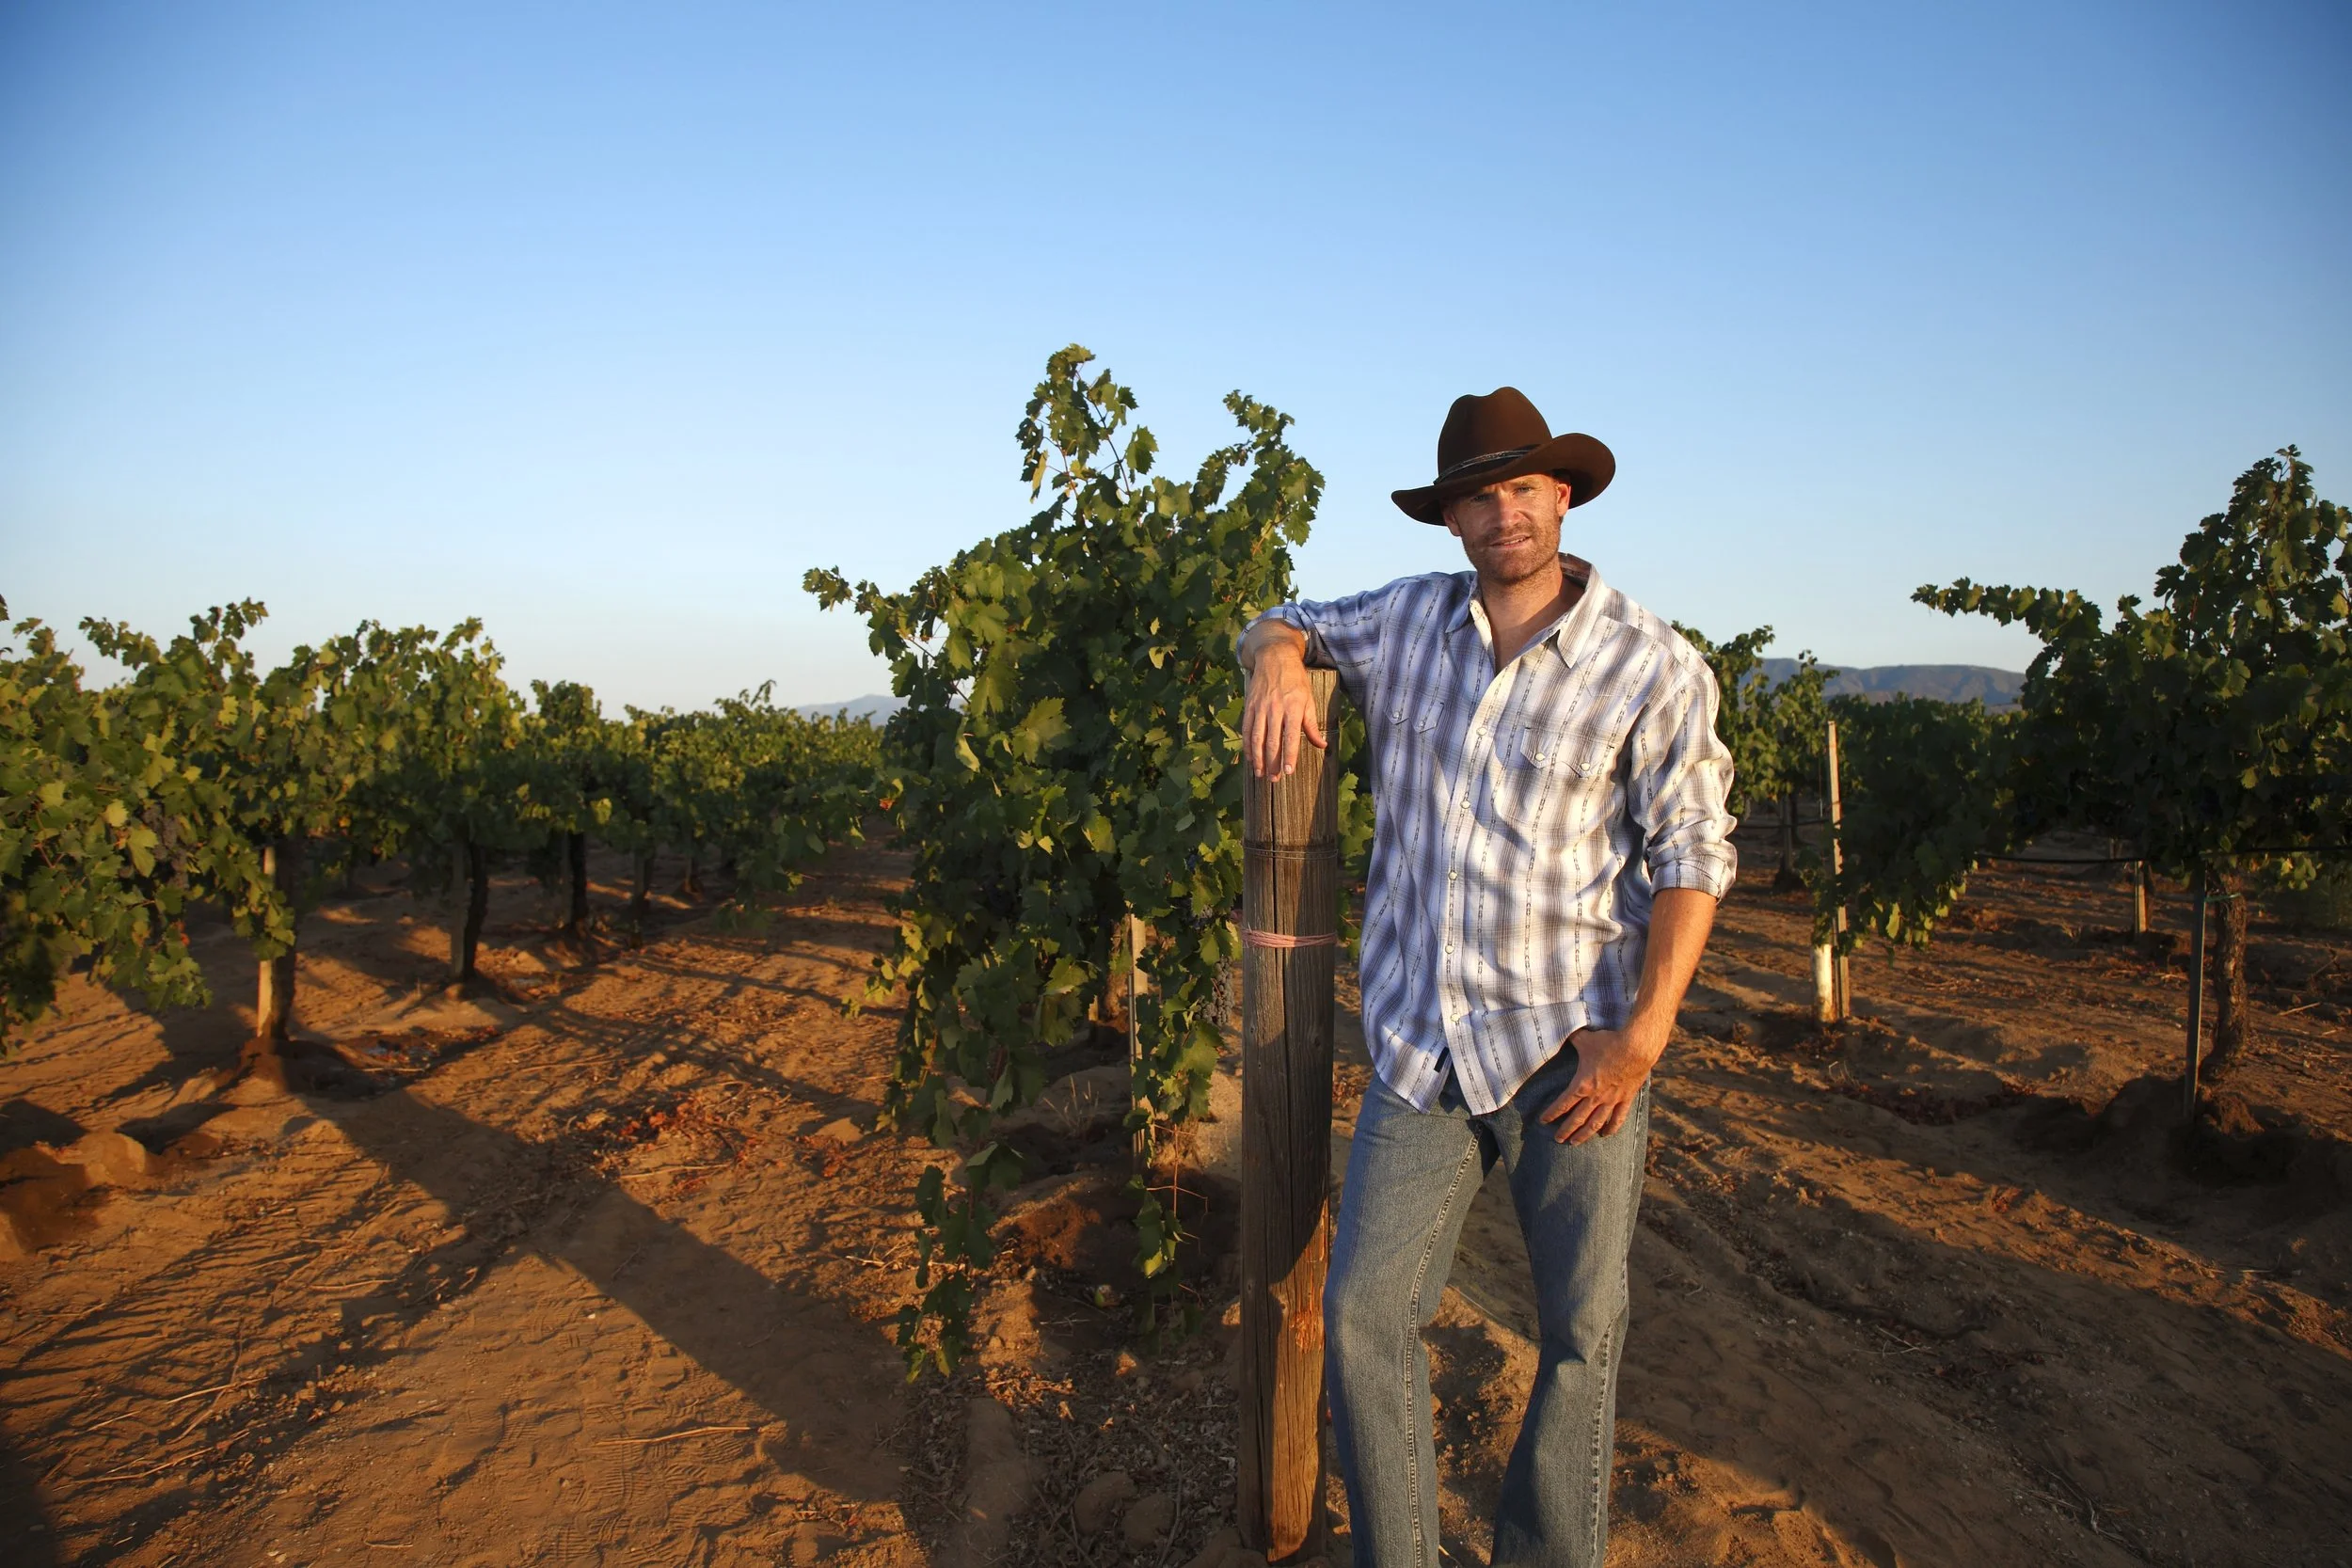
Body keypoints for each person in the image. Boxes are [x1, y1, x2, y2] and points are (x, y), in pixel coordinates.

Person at [1236, 387, 1737, 1568]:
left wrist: (1644, 1035)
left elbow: (1695, 853)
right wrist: (1275, 662)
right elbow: (1277, 614)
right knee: (1365, 1313)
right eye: (1479, 494)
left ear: (1562, 496)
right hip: (1421, 1045)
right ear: (1451, 518)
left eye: (1524, 487)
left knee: (1581, 1328)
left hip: (1577, 1058)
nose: (1504, 511)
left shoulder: (1650, 663)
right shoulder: (1405, 622)